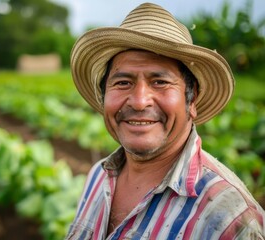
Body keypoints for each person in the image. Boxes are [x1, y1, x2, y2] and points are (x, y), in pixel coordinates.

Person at [66, 2, 265, 240]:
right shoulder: (96, 178)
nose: (139, 102)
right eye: (122, 82)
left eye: (159, 82)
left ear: (192, 101)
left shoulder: (228, 219)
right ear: (104, 96)